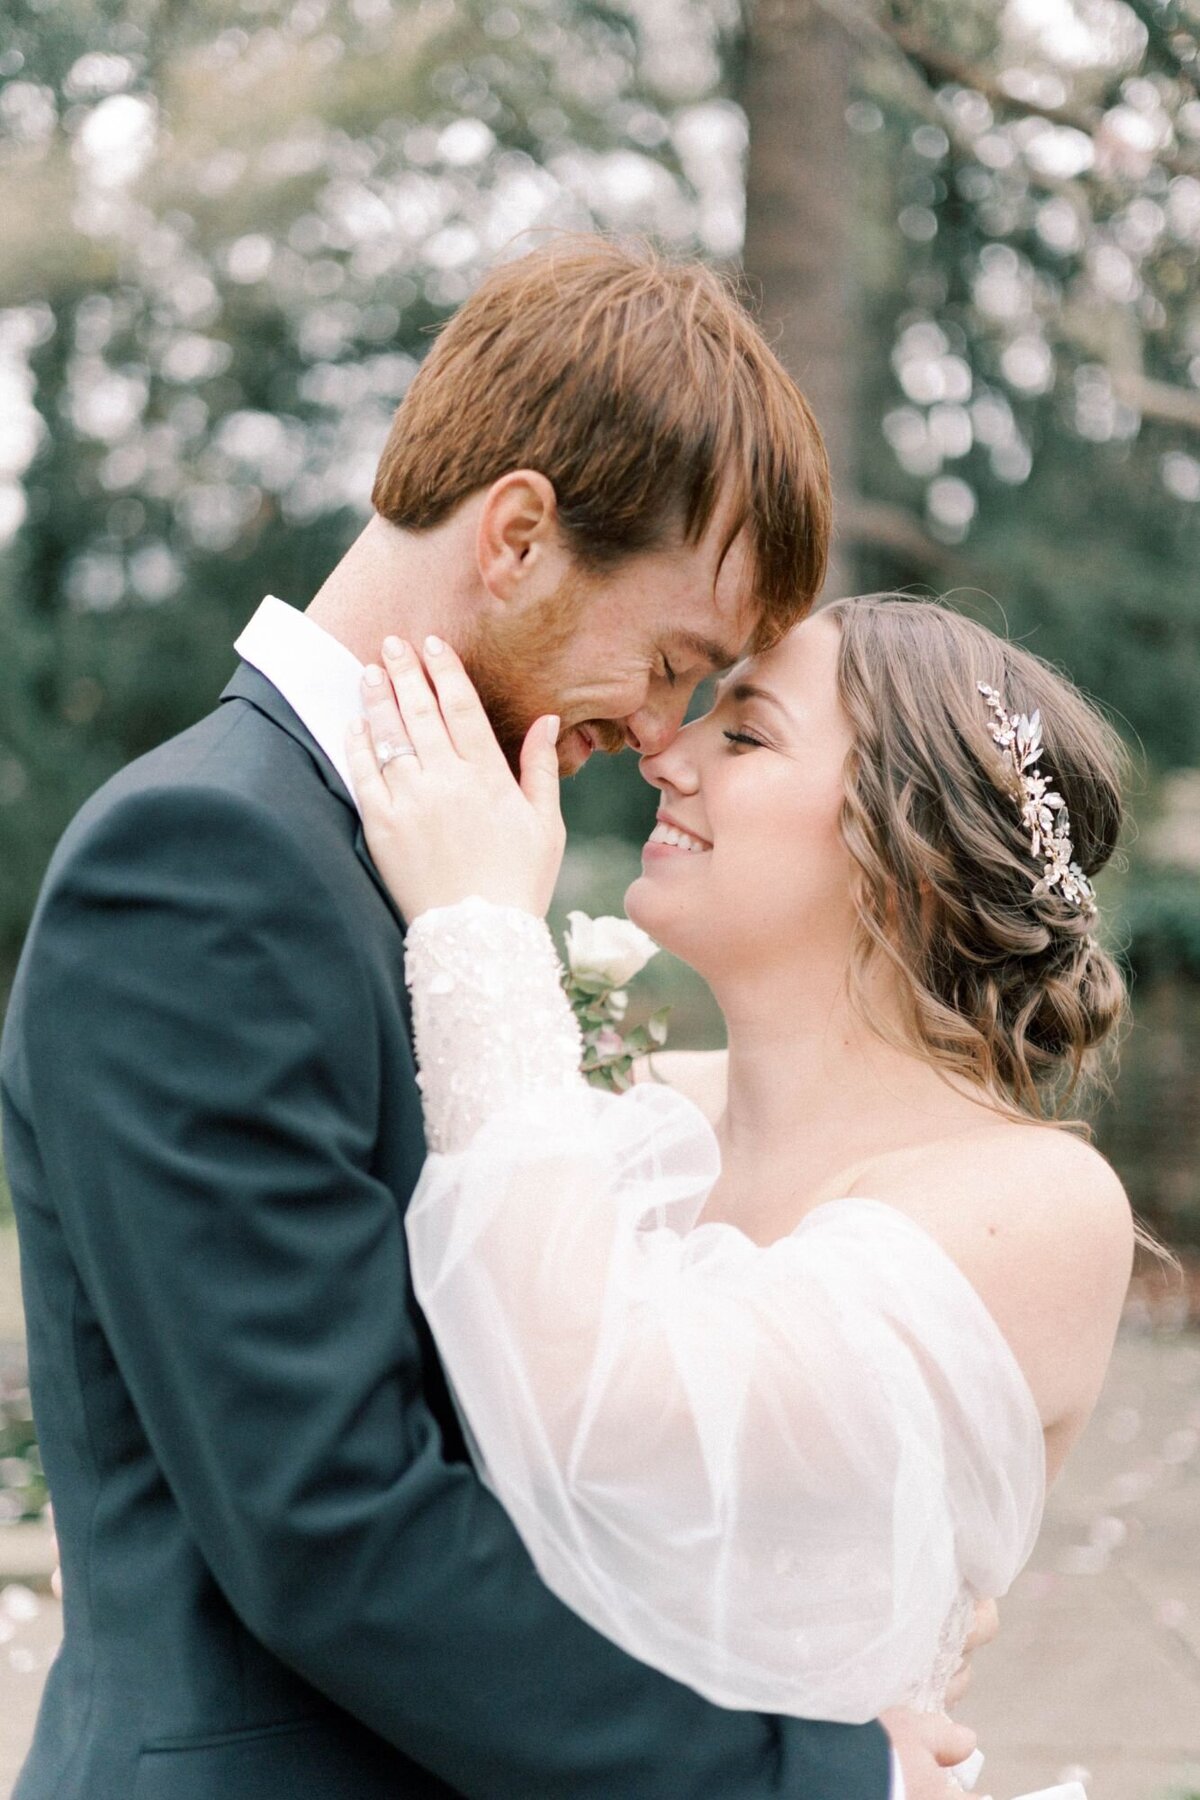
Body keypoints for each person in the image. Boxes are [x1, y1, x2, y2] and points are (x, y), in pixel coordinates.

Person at [0, 240, 973, 1800]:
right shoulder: (200, 864)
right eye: (669, 663)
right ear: (517, 534)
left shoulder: (395, 862)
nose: (661, 736)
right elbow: (334, 1527)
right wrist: (809, 1774)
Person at [344, 595, 1135, 1800]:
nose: (666, 750)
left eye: (747, 734)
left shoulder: (1034, 1201)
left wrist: (479, 931)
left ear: (906, 846)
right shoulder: (618, 1110)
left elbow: (590, 1414)